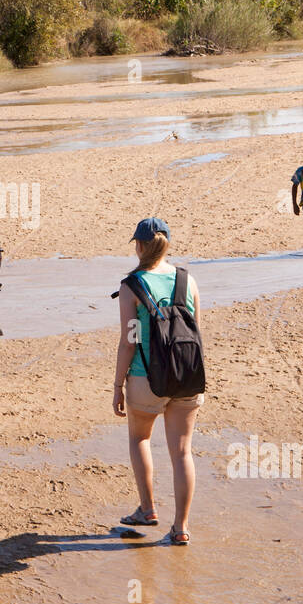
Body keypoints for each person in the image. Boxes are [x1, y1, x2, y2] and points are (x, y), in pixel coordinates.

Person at [112, 218, 202, 546]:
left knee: (139, 438)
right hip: (187, 376)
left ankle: (148, 508)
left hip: (145, 378)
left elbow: (129, 341)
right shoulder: (187, 280)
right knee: (182, 452)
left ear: (138, 246)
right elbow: (195, 330)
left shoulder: (131, 286)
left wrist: (117, 385)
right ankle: (181, 527)